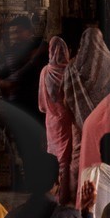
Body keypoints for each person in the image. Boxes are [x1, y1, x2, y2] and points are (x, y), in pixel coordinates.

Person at [0, 15, 49, 189]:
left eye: (19, 31)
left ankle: (41, 181)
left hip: (34, 106)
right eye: (13, 32)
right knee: (23, 145)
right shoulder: (10, 52)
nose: (16, 35)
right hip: (16, 105)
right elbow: (1, 75)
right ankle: (29, 180)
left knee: (38, 144)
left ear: (29, 32)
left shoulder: (40, 49)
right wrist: (2, 83)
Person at [61, 27, 110, 198]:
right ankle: (102, 197)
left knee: (78, 161)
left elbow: (66, 99)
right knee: (102, 159)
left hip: (78, 124)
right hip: (104, 126)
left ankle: (77, 200)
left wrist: (77, 119)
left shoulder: (72, 67)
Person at [37, 36, 75, 203]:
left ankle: (52, 193)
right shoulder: (70, 71)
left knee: (54, 157)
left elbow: (42, 104)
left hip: (51, 120)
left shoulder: (45, 71)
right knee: (66, 158)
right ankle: (64, 196)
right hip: (66, 119)